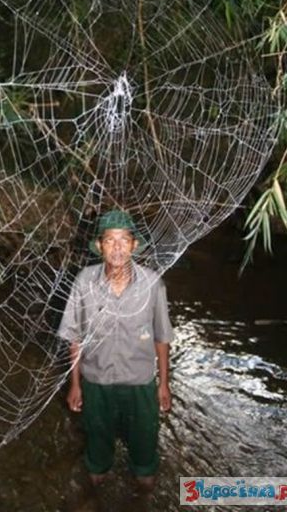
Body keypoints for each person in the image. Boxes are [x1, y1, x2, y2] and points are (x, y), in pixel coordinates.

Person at [58, 209, 174, 491]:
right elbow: (75, 337)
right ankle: (94, 495)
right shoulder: (84, 281)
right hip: (97, 383)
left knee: (145, 461)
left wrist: (164, 383)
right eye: (110, 240)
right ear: (100, 246)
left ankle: (143, 496)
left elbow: (162, 336)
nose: (118, 247)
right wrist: (75, 385)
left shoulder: (152, 283)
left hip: (140, 384)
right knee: (96, 459)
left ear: (134, 245)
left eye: (124, 240)